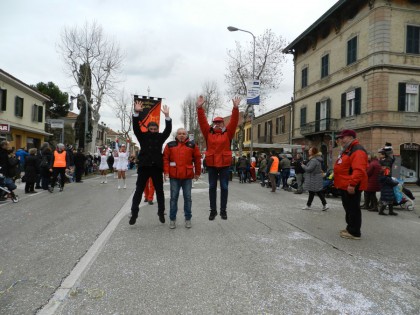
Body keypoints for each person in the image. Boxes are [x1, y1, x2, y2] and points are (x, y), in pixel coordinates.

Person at [196, 95, 239, 220]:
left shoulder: (228, 133)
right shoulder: (208, 132)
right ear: (213, 124)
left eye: (219, 122)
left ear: (223, 123)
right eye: (215, 122)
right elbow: (202, 121)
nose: (217, 124)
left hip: (225, 164)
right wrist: (199, 108)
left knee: (224, 187)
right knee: (212, 187)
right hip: (212, 164)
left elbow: (234, 121)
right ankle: (213, 211)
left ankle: (223, 211)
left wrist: (235, 108)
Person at [129, 100, 172, 225]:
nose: (153, 130)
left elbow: (168, 131)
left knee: (160, 191)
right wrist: (136, 113)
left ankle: (161, 212)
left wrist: (167, 117)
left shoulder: (160, 137)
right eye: (151, 128)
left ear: (157, 129)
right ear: (148, 128)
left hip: (156, 168)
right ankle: (134, 213)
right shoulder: (142, 136)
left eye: (155, 128)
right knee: (138, 190)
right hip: (144, 167)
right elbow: (136, 128)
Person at [163, 128, 201, 229]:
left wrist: (197, 173)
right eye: (179, 133)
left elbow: (197, 159)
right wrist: (166, 172)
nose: (181, 135)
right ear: (176, 135)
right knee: (173, 198)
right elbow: (165, 159)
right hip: (174, 176)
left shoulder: (192, 145)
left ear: (186, 135)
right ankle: (172, 220)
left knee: (188, 198)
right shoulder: (170, 145)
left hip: (187, 177)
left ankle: (188, 219)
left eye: (183, 134)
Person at [333, 129, 368, 240]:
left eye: (343, 137)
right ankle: (350, 227)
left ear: (351, 137)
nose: (341, 140)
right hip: (345, 184)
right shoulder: (348, 149)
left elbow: (359, 170)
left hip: (352, 185)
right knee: (348, 208)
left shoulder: (357, 150)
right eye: (340, 138)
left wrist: (352, 184)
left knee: (353, 208)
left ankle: (355, 232)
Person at [378, 149, 399, 216]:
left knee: (390, 200)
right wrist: (396, 182)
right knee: (387, 200)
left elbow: (392, 161)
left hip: (386, 188)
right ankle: (381, 211)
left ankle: (391, 211)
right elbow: (389, 181)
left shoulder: (384, 162)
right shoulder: (386, 174)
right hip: (387, 188)